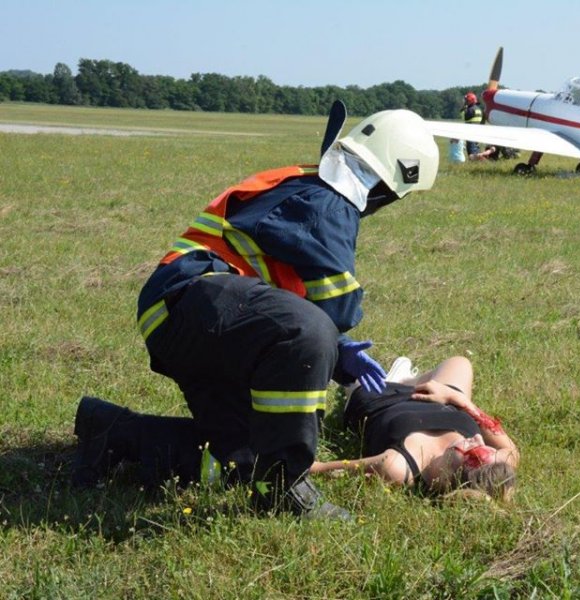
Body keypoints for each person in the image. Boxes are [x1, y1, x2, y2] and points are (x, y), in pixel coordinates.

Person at [71, 109, 440, 519]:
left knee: (245, 459)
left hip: (202, 317)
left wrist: (336, 347)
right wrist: (337, 347)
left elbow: (288, 296)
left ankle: (112, 431)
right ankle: (284, 491)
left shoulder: (312, 189)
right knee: (310, 333)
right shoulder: (327, 202)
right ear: (389, 184)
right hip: (193, 299)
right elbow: (336, 304)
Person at [311, 355, 519, 501]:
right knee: (460, 363)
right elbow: (511, 451)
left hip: (378, 395)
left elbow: (319, 468)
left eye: (474, 452)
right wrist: (460, 401)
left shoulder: (400, 466)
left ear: (454, 476)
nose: (478, 439)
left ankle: (396, 379)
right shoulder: (498, 463)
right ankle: (409, 380)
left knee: (350, 367)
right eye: (486, 446)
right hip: (441, 398)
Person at [459, 91, 484, 159]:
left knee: (471, 150)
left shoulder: (470, 110)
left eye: (467, 100)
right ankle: (479, 160)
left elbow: (464, 117)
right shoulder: (478, 109)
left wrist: (463, 108)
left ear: (470, 101)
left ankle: (474, 160)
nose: (465, 102)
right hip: (477, 131)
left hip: (470, 131)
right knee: (477, 148)